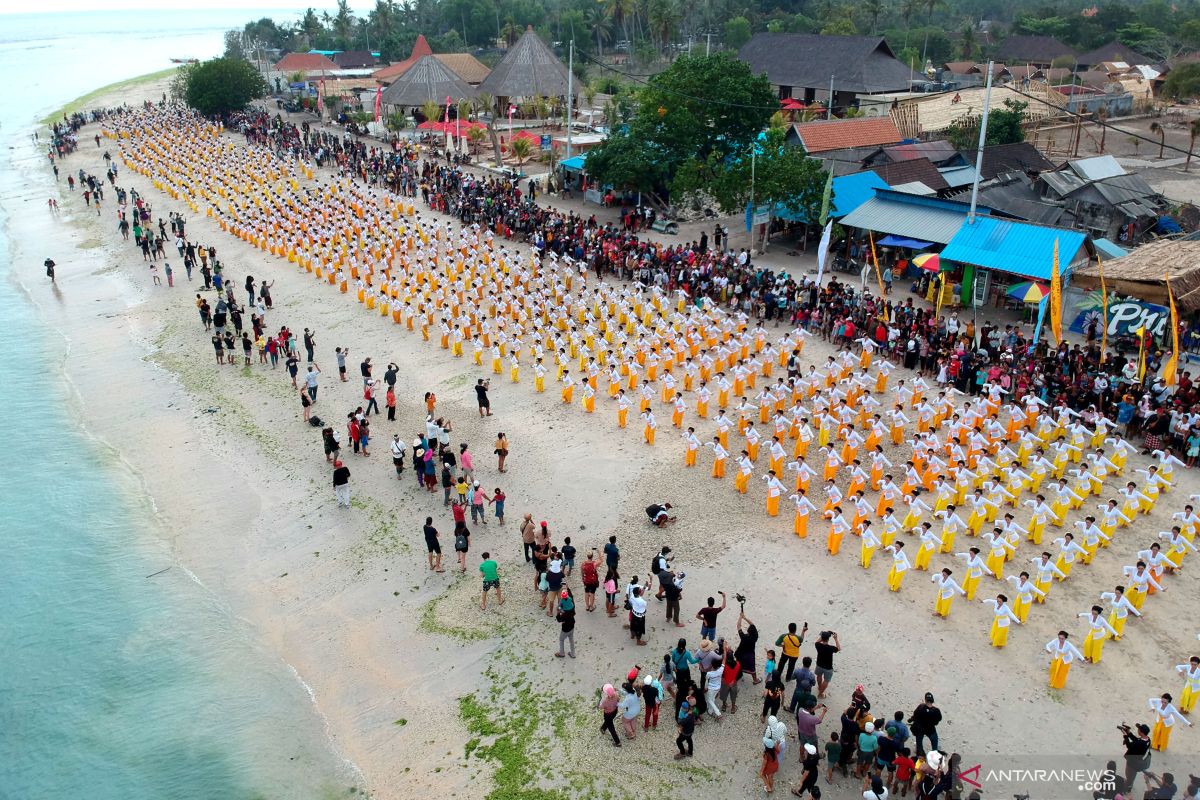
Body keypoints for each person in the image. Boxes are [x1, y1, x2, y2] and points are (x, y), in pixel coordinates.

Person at [1121, 722, 1152, 794]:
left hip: (1133, 763)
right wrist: (1129, 733)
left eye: (1139, 730)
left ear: (1141, 733)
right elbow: (1136, 740)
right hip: (1139, 759)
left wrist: (1125, 736)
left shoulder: (1140, 743)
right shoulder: (1147, 739)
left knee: (1129, 776)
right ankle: (1129, 784)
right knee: (1131, 776)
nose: (1138, 730)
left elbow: (1129, 746)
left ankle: (1127, 788)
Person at [813, 630, 840, 699]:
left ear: (822, 638)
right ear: (828, 639)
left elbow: (817, 641)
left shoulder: (818, 645)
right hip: (828, 667)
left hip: (819, 664)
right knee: (826, 680)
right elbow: (838, 648)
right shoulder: (831, 648)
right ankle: (820, 694)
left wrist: (823, 635)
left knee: (819, 676)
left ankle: (819, 687)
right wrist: (836, 639)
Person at [555, 589, 576, 658]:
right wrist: (568, 588)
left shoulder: (564, 614)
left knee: (561, 639)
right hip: (572, 625)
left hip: (566, 628)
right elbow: (571, 596)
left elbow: (559, 620)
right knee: (571, 639)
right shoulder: (572, 608)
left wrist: (558, 613)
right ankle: (573, 654)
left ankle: (561, 653)